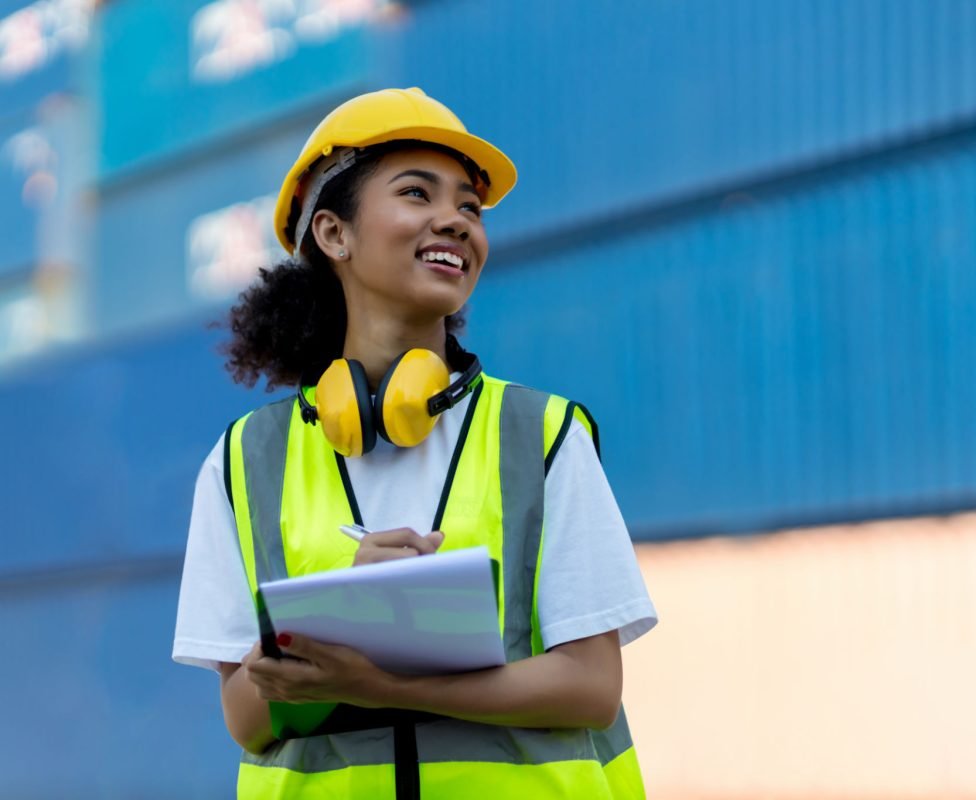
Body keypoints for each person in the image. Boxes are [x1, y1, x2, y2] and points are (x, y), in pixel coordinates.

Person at [172, 87, 657, 799]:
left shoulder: (543, 434)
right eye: (416, 194)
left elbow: (589, 688)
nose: (454, 222)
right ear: (335, 235)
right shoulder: (246, 461)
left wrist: (386, 680)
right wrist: (334, 619)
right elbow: (245, 716)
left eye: (469, 207)